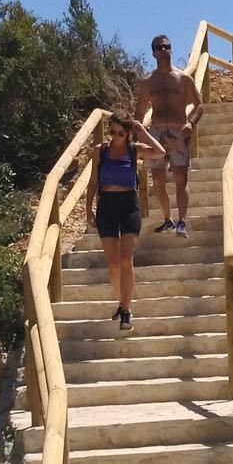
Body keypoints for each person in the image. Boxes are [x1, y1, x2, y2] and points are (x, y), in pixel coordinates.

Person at [85, 112, 163, 332]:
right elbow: (93, 182)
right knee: (113, 265)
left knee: (127, 260)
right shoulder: (100, 151)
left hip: (129, 204)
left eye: (121, 133)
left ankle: (126, 309)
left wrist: (143, 132)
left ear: (128, 133)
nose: (116, 137)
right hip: (106, 205)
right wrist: (88, 208)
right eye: (112, 132)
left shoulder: (133, 149)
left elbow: (160, 152)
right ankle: (121, 302)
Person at [134, 33, 201, 238]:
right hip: (155, 132)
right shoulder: (148, 83)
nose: (163, 50)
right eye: (159, 48)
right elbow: (140, 111)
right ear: (153, 53)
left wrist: (191, 123)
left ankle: (182, 221)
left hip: (178, 130)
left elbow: (199, 106)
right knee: (158, 178)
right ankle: (167, 219)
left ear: (171, 50)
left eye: (166, 47)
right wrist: (136, 133)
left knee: (180, 176)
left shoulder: (183, 78)